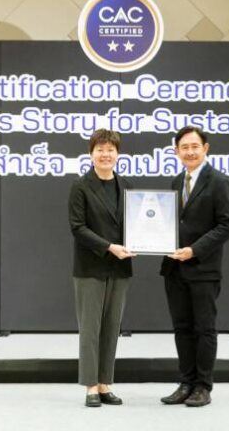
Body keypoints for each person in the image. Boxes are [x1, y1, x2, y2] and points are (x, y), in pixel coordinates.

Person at [160, 126, 229, 407]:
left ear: (205, 148)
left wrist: (194, 250)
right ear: (176, 151)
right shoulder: (176, 181)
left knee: (204, 329)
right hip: (174, 268)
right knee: (182, 328)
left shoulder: (219, 182)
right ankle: (186, 383)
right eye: (184, 147)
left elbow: (226, 226)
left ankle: (203, 386)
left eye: (194, 146)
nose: (189, 151)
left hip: (203, 268)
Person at [68, 129, 135, 407]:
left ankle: (105, 383)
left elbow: (136, 224)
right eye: (100, 149)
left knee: (111, 328)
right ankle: (91, 387)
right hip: (90, 267)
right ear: (91, 153)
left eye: (110, 150)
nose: (105, 154)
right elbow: (78, 227)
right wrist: (109, 246)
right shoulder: (81, 186)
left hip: (120, 268)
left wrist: (142, 241)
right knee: (90, 329)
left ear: (118, 154)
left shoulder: (126, 186)